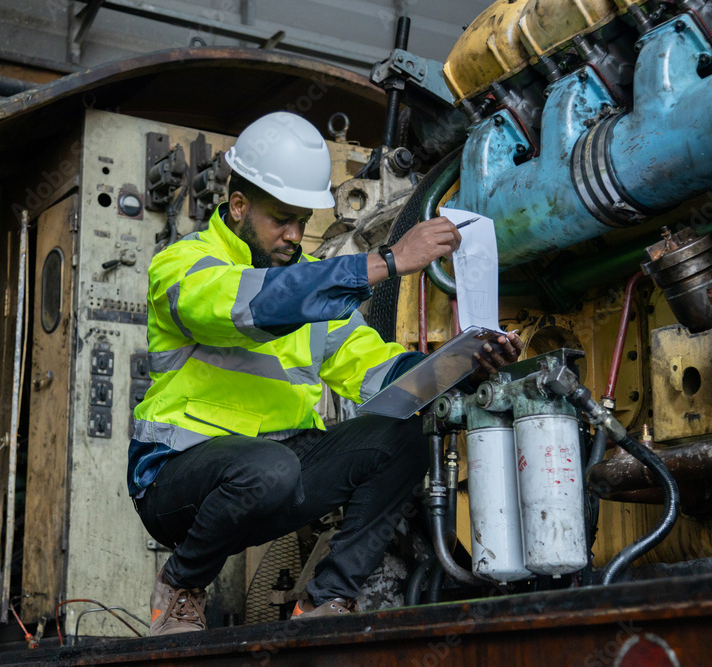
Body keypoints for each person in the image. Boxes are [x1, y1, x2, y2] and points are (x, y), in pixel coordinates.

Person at [127, 111, 523, 636]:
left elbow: (383, 375)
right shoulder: (184, 267)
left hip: (275, 478)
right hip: (175, 483)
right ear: (239, 206)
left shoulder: (309, 291)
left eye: (301, 221)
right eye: (281, 220)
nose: (295, 235)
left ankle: (328, 601)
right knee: (269, 467)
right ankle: (181, 584)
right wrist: (385, 261)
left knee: (402, 436)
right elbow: (252, 305)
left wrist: (464, 366)